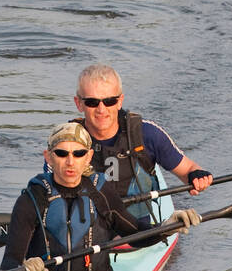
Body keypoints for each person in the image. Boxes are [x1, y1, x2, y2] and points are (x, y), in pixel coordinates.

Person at [1, 121, 199, 271]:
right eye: (62, 154)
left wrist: (168, 226)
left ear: (88, 157)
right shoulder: (31, 200)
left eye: (78, 154)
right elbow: (9, 263)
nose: (70, 161)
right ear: (49, 157)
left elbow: (136, 234)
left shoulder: (101, 192)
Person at [72, 64, 213, 209]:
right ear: (79, 104)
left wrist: (196, 177)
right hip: (88, 227)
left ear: (120, 101)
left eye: (109, 101)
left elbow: (188, 169)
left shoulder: (147, 134)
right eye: (92, 102)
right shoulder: (66, 141)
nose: (101, 109)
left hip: (141, 228)